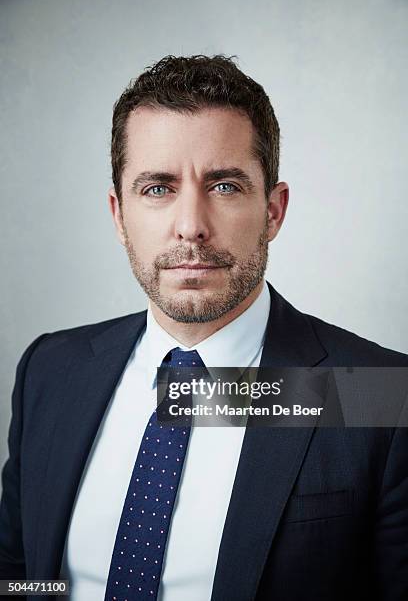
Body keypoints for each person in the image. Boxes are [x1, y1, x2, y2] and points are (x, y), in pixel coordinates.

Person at [0, 55, 407, 601]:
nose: (191, 227)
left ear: (273, 211)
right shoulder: (50, 371)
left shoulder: (377, 394)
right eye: (157, 188)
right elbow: (21, 575)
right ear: (119, 215)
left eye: (224, 187)